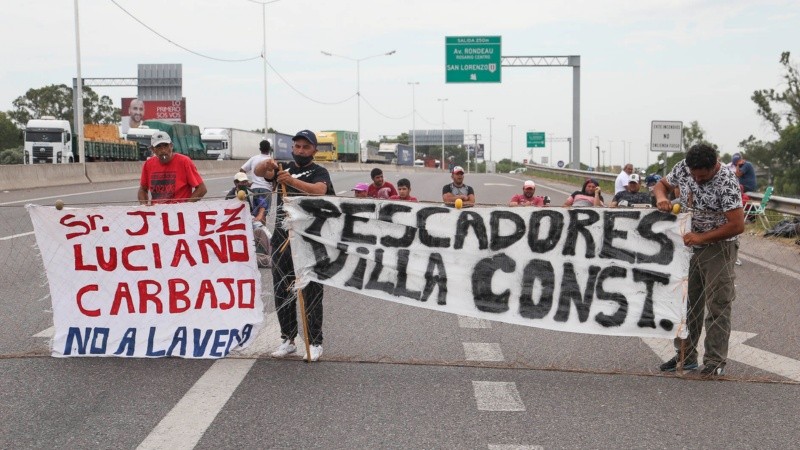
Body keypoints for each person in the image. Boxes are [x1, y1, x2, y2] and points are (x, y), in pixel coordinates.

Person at [654, 142, 744, 378]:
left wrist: (701, 237)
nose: (696, 180)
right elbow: (661, 185)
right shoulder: (684, 167)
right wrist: (662, 198)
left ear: (714, 166)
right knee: (686, 302)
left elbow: (737, 224)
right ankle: (685, 356)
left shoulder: (727, 182)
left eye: (702, 177)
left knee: (718, 303)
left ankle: (715, 360)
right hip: (688, 246)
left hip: (718, 248)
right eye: (693, 175)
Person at [254, 130, 334, 362]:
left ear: (314, 150)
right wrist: (266, 164)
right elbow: (260, 173)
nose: (300, 151)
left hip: (309, 238)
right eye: (297, 146)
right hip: (282, 237)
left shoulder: (319, 171)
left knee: (310, 291)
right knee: (282, 289)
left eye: (305, 147)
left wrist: (293, 182)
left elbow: (320, 190)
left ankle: (315, 342)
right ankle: (287, 339)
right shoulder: (283, 169)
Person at [138, 131, 207, 204]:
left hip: (179, 212)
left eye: (166, 146)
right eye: (159, 147)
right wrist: (144, 206)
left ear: (171, 146)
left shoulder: (184, 161)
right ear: (152, 149)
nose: (163, 151)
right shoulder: (148, 164)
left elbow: (202, 189)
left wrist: (187, 206)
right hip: (158, 212)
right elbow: (143, 189)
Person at [225, 172, 271, 267]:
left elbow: (263, 204)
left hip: (250, 218)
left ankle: (272, 254)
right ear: (235, 183)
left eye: (245, 181)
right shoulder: (230, 195)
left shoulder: (251, 192)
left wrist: (259, 215)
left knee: (264, 232)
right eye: (241, 182)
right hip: (236, 220)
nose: (243, 184)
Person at [240, 139, 273, 215]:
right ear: (269, 149)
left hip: (254, 189)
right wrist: (273, 187)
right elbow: (273, 178)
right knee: (263, 214)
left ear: (260, 149)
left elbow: (242, 170)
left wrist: (246, 182)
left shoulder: (254, 159)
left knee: (255, 214)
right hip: (266, 190)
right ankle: (262, 227)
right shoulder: (272, 161)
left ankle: (255, 227)